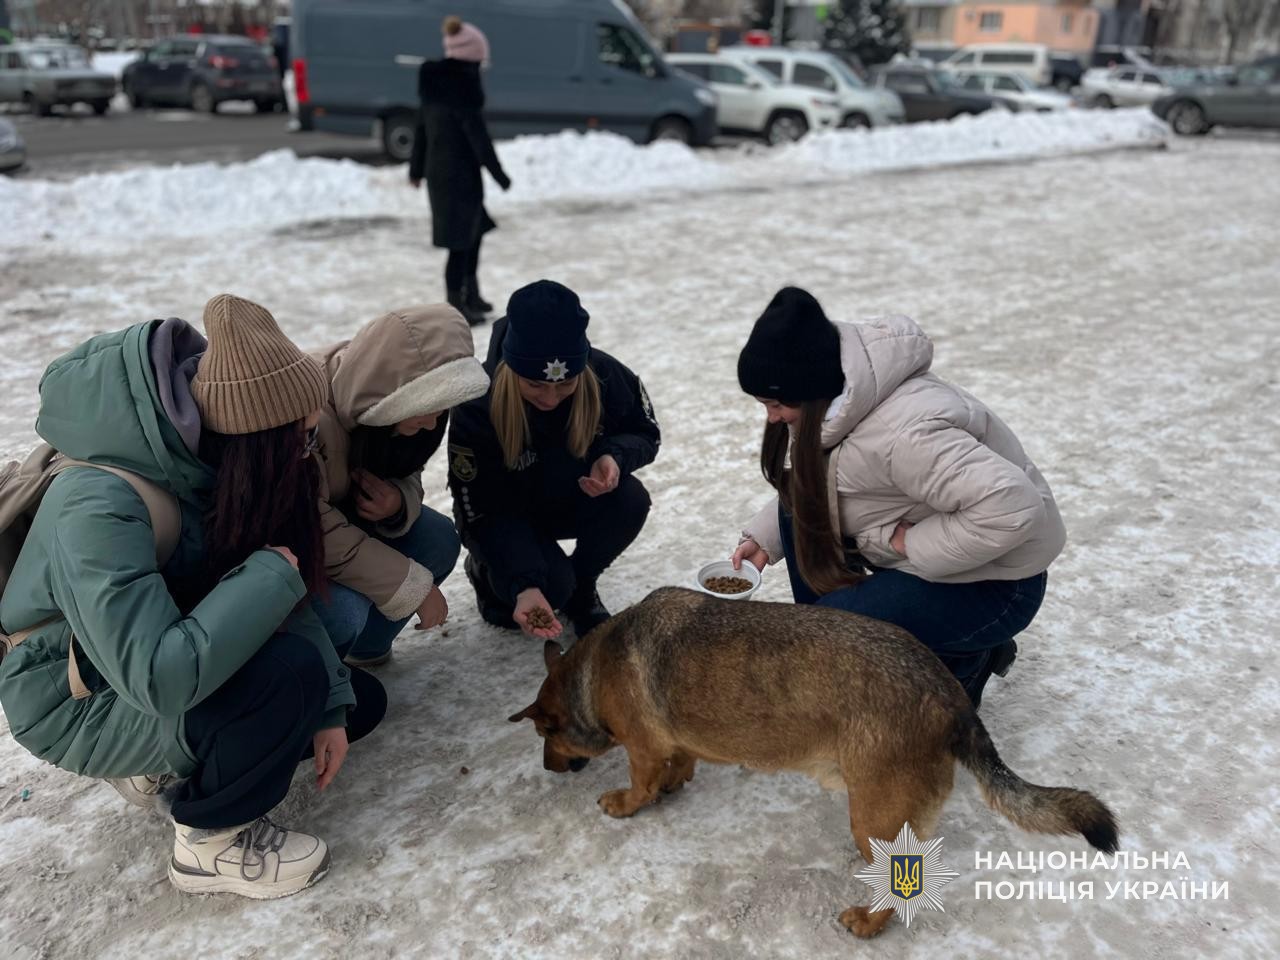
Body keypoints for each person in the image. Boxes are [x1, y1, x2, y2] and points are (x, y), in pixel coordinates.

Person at [0, 294, 385, 899]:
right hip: (78, 697)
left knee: (354, 701)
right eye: (303, 437)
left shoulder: (208, 463)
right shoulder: (97, 503)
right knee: (287, 678)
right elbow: (157, 678)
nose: (309, 452)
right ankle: (210, 843)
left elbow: (277, 605)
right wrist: (268, 575)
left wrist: (331, 708)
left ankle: (168, 757)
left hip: (141, 660)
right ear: (260, 437)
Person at [731, 287, 1066, 708]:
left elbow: (1013, 508)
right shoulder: (839, 402)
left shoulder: (905, 436)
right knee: (799, 530)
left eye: (775, 403)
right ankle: (835, 648)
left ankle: (964, 659)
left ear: (810, 388)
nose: (771, 417)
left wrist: (910, 542)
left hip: (996, 582)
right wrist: (766, 539)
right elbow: (825, 482)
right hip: (951, 561)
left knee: (835, 628)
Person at [448, 280, 660, 639]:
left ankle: (582, 585)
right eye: (535, 384)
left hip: (569, 498)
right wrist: (524, 583)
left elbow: (646, 432)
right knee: (542, 594)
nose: (550, 398)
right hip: (507, 516)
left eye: (565, 384)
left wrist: (613, 456)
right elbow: (480, 509)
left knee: (630, 500)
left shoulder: (604, 372)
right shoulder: (477, 402)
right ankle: (486, 572)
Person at [309, 304, 491, 667]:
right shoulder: (308, 414)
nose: (432, 424)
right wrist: (409, 587)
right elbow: (308, 526)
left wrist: (397, 502)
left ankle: (365, 649)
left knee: (437, 538)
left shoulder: (390, 400)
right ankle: (314, 678)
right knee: (345, 609)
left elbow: (408, 468)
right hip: (292, 549)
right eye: (427, 408)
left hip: (341, 529)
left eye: (441, 409)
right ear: (398, 395)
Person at [409, 15, 510, 326]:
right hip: (458, 178)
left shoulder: (435, 85)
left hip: (444, 175)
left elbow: (421, 130)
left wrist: (416, 169)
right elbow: (478, 138)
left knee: (474, 233)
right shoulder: (463, 89)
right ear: (471, 58)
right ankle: (456, 306)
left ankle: (471, 294)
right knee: (460, 243)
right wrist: (499, 174)